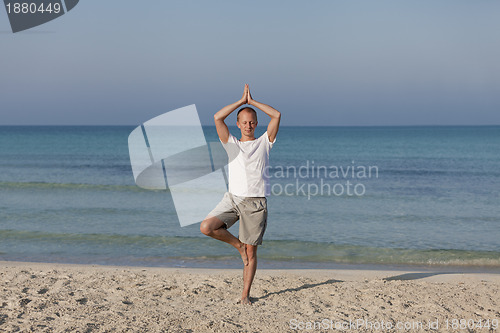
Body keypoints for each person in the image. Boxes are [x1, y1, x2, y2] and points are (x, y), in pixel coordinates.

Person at [200, 84, 281, 305]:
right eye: (244, 122)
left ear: (256, 124)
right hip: (232, 199)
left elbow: (277, 114)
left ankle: (245, 295)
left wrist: (252, 102)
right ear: (238, 124)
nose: (248, 125)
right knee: (207, 227)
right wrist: (240, 101)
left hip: (255, 204)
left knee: (252, 253)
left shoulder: (265, 142)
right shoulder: (231, 144)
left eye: (252, 122)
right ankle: (238, 246)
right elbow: (217, 117)